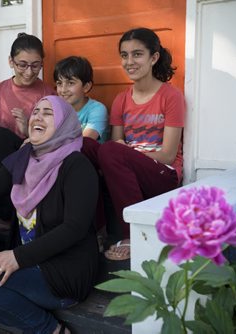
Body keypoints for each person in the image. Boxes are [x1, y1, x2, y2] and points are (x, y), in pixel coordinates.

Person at [0, 96, 99, 334]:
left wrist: (18, 257)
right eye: (36, 111)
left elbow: (74, 228)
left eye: (48, 113)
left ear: (64, 124)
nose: (37, 116)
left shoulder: (76, 166)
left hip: (64, 273)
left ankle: (49, 329)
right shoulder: (26, 157)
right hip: (29, 262)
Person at [84, 27, 185, 261]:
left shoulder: (170, 97)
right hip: (129, 171)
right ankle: (95, 229)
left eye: (137, 54)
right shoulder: (121, 100)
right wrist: (123, 150)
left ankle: (133, 234)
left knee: (110, 149)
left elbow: (169, 155)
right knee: (84, 147)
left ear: (154, 57)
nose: (129, 61)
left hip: (162, 175)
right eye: (124, 55)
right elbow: (117, 144)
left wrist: (127, 151)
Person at [0, 32, 55, 177]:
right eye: (22, 65)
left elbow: (51, 138)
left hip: (29, 151)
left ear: (41, 63)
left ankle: (9, 188)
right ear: (11, 61)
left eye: (35, 66)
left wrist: (28, 129)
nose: (29, 72)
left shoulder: (48, 94)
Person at [54, 56, 108, 143]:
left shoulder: (97, 109)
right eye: (59, 83)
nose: (63, 90)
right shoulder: (56, 110)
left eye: (70, 83)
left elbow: (84, 141)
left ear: (86, 87)